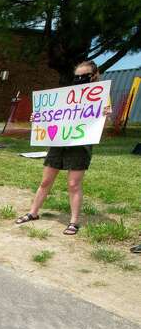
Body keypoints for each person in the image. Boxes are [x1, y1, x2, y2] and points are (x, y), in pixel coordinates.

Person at [15, 60, 111, 236]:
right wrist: (38, 119)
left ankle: (74, 221)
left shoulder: (102, 96)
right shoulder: (66, 95)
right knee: (45, 181)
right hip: (59, 142)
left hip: (80, 145)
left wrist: (105, 117)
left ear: (94, 75)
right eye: (77, 76)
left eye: (85, 76)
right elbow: (54, 116)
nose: (80, 79)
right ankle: (33, 212)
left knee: (74, 184)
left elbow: (101, 126)